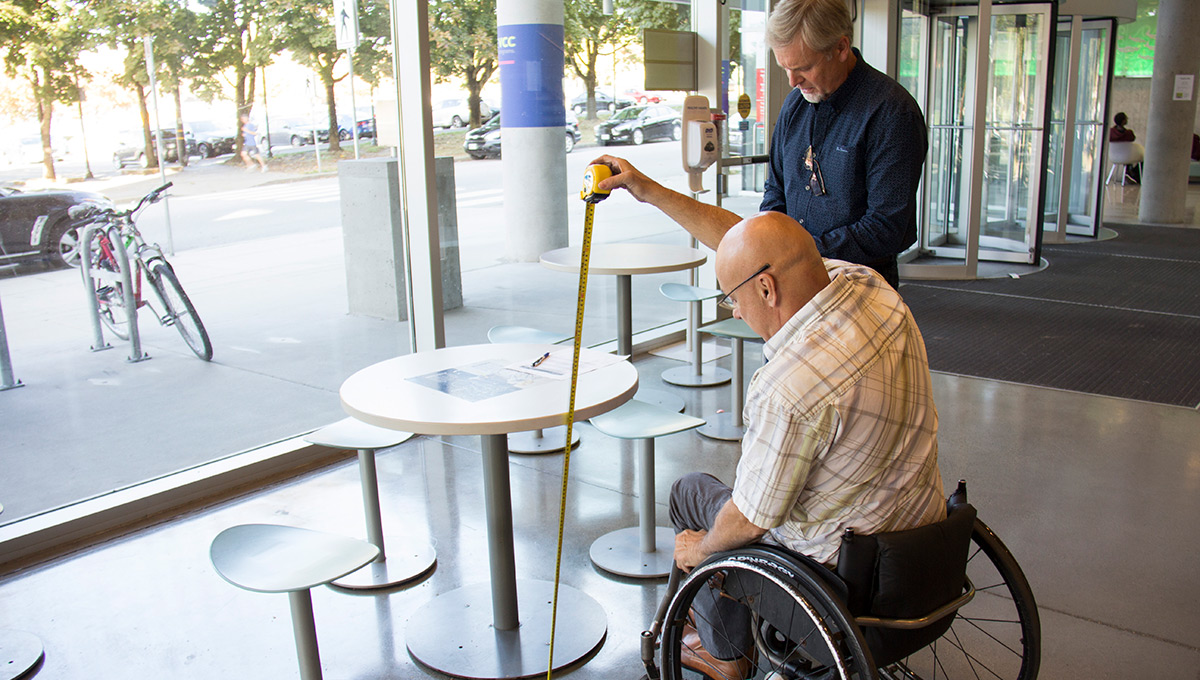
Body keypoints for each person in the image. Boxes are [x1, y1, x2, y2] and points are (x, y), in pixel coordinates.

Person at [669, 210, 945, 679]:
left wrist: (701, 550)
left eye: (732, 297)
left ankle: (725, 655)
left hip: (838, 582)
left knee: (691, 494)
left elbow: (750, 519)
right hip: (922, 546)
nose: (736, 312)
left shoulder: (789, 387)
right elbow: (783, 253)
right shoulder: (872, 287)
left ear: (766, 290)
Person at [594, 0, 927, 289]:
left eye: (804, 68)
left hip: (858, 292)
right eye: (785, 68)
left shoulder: (891, 112)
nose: (793, 81)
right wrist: (773, 253)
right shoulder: (796, 104)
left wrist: (792, 253)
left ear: (841, 48)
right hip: (790, 286)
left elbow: (887, 228)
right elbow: (776, 193)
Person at [1109, 112, 1139, 183]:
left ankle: (1129, 172)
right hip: (1127, 156)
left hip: (1113, 156)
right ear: (1123, 121)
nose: (1127, 120)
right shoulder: (1129, 133)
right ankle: (1131, 173)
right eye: (1126, 118)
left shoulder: (1111, 132)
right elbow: (1132, 138)